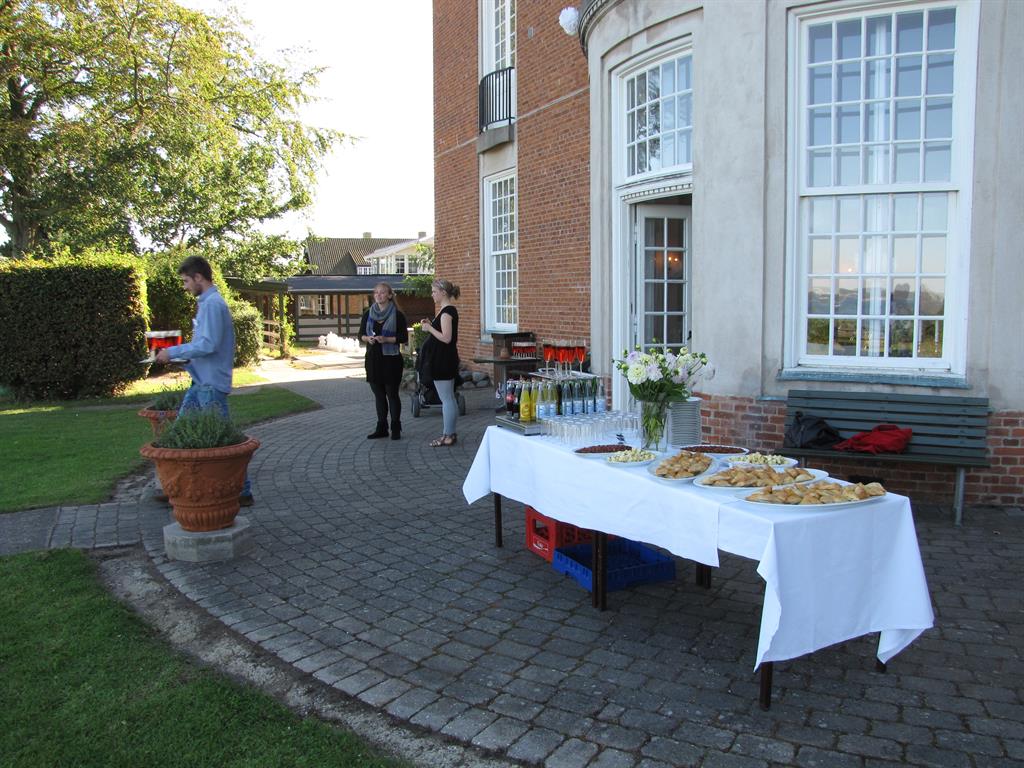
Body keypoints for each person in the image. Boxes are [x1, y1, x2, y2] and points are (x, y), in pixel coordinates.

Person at [155, 255, 252, 505]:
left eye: (186, 281)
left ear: (199, 277)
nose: (185, 286)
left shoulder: (213, 305)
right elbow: (205, 345)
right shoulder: (207, 303)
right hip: (202, 382)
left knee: (222, 440)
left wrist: (173, 352)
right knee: (181, 432)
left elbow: (208, 344)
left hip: (210, 385)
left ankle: (241, 491)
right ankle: (173, 485)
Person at [359, 282, 409, 440]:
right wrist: (369, 338)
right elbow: (360, 335)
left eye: (382, 293)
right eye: (376, 293)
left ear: (389, 295)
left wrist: (386, 339)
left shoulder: (397, 315)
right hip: (373, 359)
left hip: (391, 360)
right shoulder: (368, 314)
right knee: (379, 395)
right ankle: (381, 427)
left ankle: (395, 427)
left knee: (392, 394)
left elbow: (403, 338)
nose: (378, 295)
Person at [419, 279, 461, 447]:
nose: (432, 295)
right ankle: (449, 433)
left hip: (443, 360)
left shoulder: (446, 312)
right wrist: (431, 325)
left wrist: (429, 329)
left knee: (447, 399)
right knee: (449, 398)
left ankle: (448, 435)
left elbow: (446, 338)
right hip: (445, 359)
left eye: (434, 291)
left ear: (443, 293)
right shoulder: (445, 311)